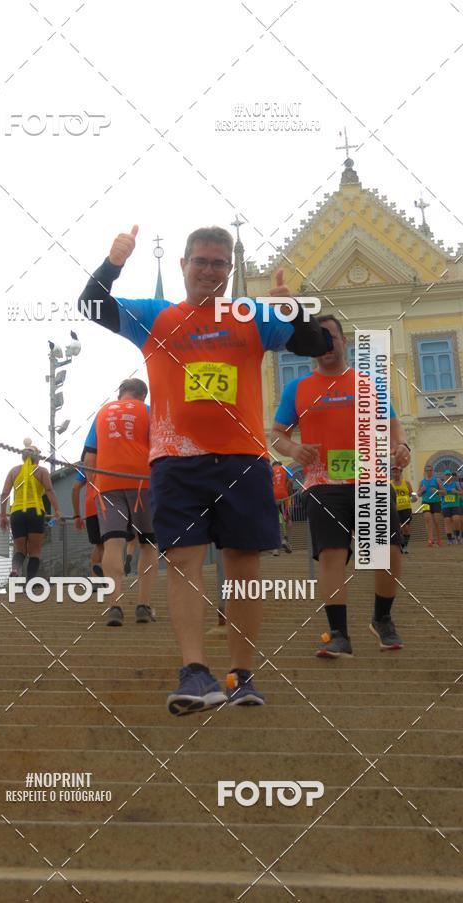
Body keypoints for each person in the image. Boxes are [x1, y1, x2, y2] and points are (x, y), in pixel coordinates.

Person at [78, 224, 332, 713]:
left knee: (242, 568)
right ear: (184, 266)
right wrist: (114, 261)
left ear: (229, 270)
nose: (209, 271)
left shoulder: (251, 314)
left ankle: (241, 674)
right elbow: (91, 304)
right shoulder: (156, 316)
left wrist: (294, 307)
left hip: (244, 458)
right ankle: (194, 671)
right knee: (183, 563)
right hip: (177, 461)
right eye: (201, 261)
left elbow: (316, 343)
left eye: (219, 263)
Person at [271, 315, 410, 658]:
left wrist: (402, 447)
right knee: (332, 555)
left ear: (344, 341)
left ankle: (382, 618)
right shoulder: (298, 388)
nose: (325, 344)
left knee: (387, 554)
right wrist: (293, 449)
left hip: (371, 477)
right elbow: (277, 434)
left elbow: (393, 425)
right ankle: (339, 633)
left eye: (330, 337)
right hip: (323, 482)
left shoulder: (368, 383)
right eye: (318, 338)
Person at [82, 378, 159, 626]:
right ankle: (144, 606)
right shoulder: (149, 412)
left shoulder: (103, 412)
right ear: (142, 396)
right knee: (148, 544)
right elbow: (160, 448)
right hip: (142, 481)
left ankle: (114, 606)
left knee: (113, 543)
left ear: (120, 395)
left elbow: (89, 458)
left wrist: (94, 489)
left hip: (108, 482)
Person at [0, 439, 62, 583]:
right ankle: (30, 583)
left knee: (20, 550)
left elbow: (4, 494)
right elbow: (50, 490)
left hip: (17, 513)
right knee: (35, 552)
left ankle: (15, 570)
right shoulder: (42, 471)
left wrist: (3, 515)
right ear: (37, 458)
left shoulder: (14, 471)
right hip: (36, 512)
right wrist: (57, 510)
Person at [71, 459, 104, 581]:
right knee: (112, 542)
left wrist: (77, 515)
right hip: (108, 504)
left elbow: (75, 489)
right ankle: (110, 577)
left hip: (91, 507)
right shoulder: (110, 457)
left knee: (99, 544)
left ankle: (96, 580)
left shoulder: (85, 465)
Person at [417, 465, 443, 547]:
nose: (429, 472)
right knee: (428, 520)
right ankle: (430, 540)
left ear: (433, 471)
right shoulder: (421, 482)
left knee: (436, 521)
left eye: (430, 470)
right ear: (425, 471)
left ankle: (439, 539)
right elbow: (418, 494)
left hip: (436, 502)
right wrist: (421, 490)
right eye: (427, 470)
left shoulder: (437, 480)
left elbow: (445, 492)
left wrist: (437, 491)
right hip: (425, 502)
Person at [271, 460, 293, 555]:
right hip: (284, 497)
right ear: (280, 464)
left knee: (274, 521)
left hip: (272, 498)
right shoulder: (286, 469)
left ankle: (275, 548)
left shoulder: (269, 470)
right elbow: (291, 482)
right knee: (287, 519)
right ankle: (286, 540)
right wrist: (289, 493)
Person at [390, 465, 413, 554]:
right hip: (395, 509)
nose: (395, 474)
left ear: (400, 472)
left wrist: (414, 497)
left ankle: (405, 545)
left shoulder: (406, 483)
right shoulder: (389, 484)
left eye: (397, 472)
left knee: (406, 528)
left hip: (406, 508)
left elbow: (412, 494)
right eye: (394, 472)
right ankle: (401, 546)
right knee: (398, 527)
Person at [439, 470, 462, 544]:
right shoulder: (442, 484)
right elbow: (438, 494)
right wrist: (443, 493)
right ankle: (449, 539)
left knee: (456, 519)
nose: (448, 476)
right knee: (447, 521)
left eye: (449, 475)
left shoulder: (456, 484)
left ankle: (457, 535)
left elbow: (461, 493)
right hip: (445, 506)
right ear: (444, 476)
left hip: (455, 505)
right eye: (446, 475)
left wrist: (456, 492)